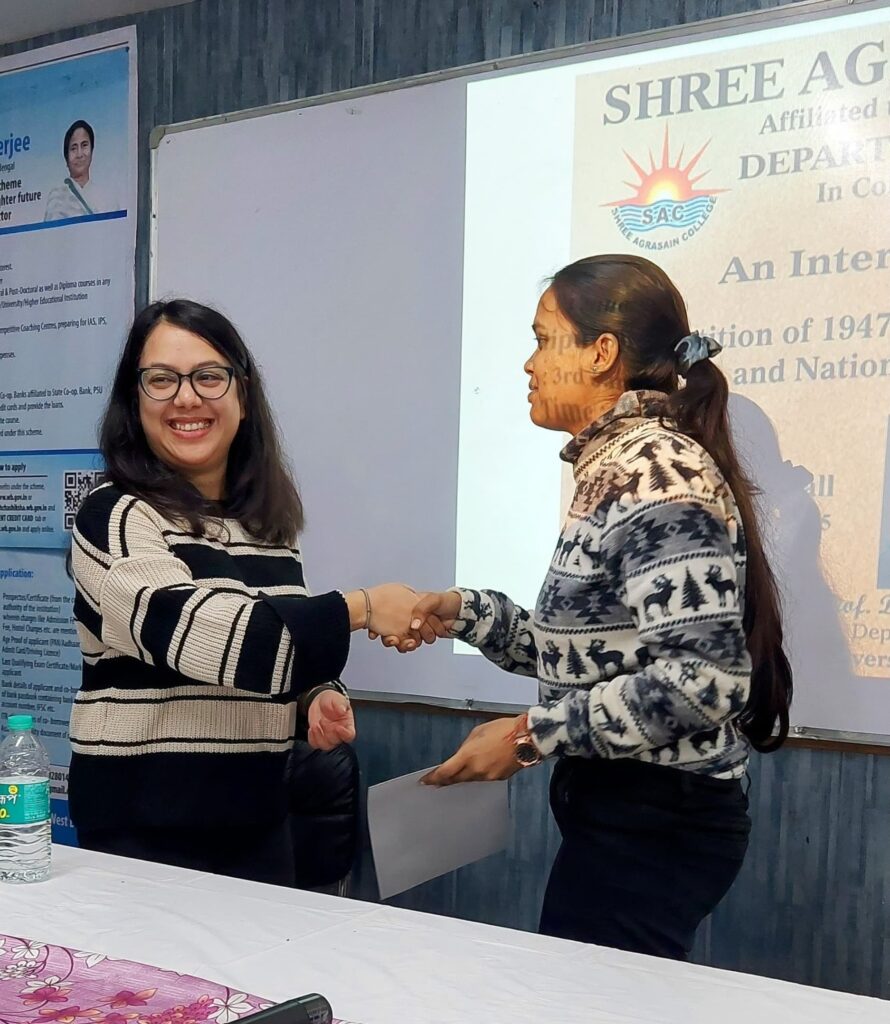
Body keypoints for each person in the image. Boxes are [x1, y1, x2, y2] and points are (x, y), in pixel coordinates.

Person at [383, 254, 793, 959]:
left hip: (656, 821)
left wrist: (529, 736)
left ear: (601, 353)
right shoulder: (616, 465)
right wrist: (466, 613)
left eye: (543, 340)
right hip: (632, 810)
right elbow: (593, 656)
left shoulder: (656, 473)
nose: (528, 364)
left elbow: (705, 683)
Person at [69, 298, 416, 884]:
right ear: (135, 399)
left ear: (243, 395)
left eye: (209, 377)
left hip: (257, 820)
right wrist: (362, 608)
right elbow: (197, 632)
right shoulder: (115, 514)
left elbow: (278, 644)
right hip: (143, 831)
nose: (186, 398)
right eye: (162, 380)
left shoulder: (267, 528)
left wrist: (312, 697)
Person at [44, 120, 118, 220]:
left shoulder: (107, 199)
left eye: (84, 145)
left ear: (92, 150)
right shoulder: (57, 197)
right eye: (73, 148)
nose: (79, 154)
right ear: (66, 157)